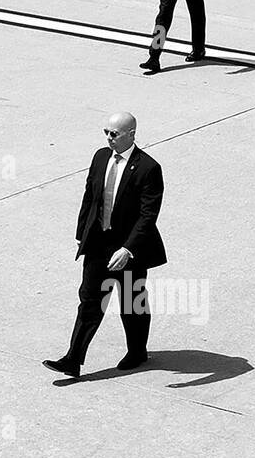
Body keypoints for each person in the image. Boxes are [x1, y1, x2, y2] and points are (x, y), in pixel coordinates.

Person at [44, 112, 167, 379]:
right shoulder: (100, 157)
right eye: (106, 133)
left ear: (131, 134)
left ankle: (137, 351)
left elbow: (148, 215)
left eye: (115, 134)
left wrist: (128, 249)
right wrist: (81, 233)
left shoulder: (148, 168)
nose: (109, 138)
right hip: (99, 245)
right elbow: (90, 197)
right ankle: (72, 360)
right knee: (89, 301)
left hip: (129, 250)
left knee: (131, 303)